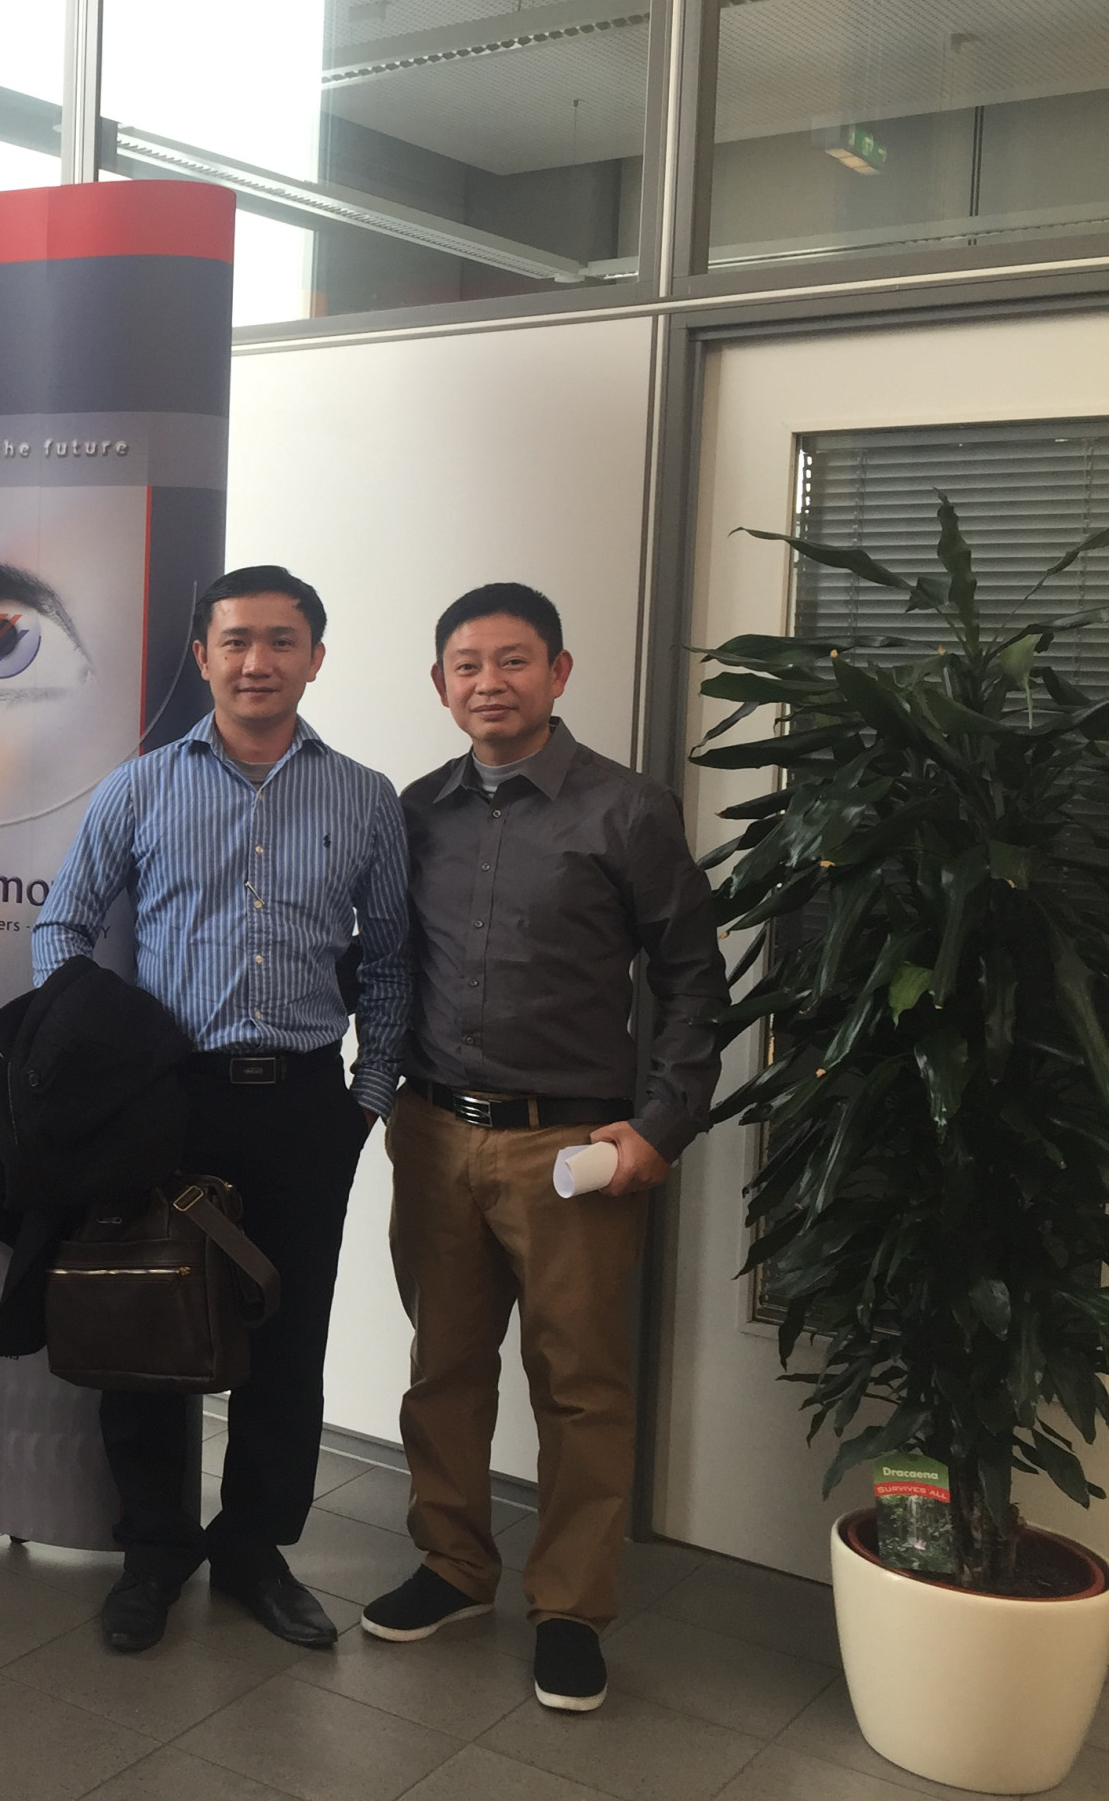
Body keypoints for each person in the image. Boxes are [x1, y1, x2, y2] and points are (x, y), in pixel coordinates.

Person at [360, 582, 725, 1713]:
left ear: (558, 672)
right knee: (443, 1366)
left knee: (580, 1385)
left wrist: (662, 1125)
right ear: (439, 684)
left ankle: (570, 1608)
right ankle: (453, 1565)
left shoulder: (628, 810)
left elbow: (692, 979)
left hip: (572, 1150)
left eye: (513, 661)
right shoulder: (414, 811)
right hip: (433, 1136)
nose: (490, 683)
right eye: (466, 666)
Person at [35, 564, 409, 1655]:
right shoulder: (140, 788)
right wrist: (95, 1061)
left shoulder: (365, 798)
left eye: (282, 640)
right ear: (201, 656)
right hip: (168, 1108)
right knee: (146, 1328)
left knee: (286, 1341)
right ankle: (154, 1551)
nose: (257, 662)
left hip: (304, 1106)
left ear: (315, 657)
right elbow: (61, 927)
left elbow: (392, 963)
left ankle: (254, 1549)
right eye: (236, 641)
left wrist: (366, 1100)